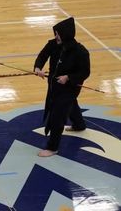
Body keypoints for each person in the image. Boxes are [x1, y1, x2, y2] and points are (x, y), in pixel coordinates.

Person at [34, 17, 90, 157]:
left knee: (58, 115)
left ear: (66, 34)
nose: (55, 36)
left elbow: (85, 72)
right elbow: (43, 55)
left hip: (70, 87)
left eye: (58, 34)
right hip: (54, 84)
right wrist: (37, 67)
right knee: (70, 104)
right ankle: (79, 125)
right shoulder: (53, 44)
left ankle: (52, 147)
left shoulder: (81, 52)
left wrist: (68, 78)